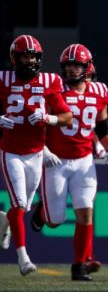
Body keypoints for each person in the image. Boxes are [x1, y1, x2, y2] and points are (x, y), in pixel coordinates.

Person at [29, 43, 108, 281]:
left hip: (84, 162)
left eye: (76, 66)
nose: (71, 71)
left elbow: (103, 126)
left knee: (85, 211)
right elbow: (39, 125)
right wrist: (45, 150)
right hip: (56, 162)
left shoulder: (100, 91)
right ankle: (42, 212)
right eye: (68, 66)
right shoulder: (54, 91)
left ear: (87, 67)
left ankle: (79, 265)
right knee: (54, 221)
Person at [0, 35, 73, 275]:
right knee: (19, 204)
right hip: (11, 151)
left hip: (36, 152)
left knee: (24, 207)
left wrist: (47, 118)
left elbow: (66, 116)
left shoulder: (49, 81)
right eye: (25, 55)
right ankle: (23, 259)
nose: (30, 60)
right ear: (14, 58)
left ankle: (4, 222)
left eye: (33, 56)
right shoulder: (4, 79)